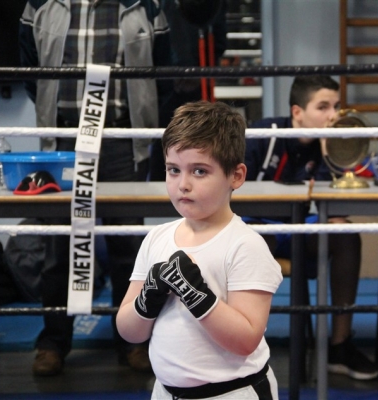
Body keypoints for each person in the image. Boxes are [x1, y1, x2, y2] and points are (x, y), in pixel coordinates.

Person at [19, 0, 171, 376]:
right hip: (65, 138)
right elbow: (28, 67)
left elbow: (165, 71)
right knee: (59, 245)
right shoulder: (41, 3)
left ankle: (133, 342)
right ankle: (52, 343)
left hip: (121, 135)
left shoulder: (146, 5)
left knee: (127, 248)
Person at [116, 101, 282, 399]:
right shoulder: (157, 238)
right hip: (166, 391)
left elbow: (245, 341)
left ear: (236, 176)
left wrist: (196, 295)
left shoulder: (245, 245)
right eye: (173, 170)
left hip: (234, 392)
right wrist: (147, 300)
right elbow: (130, 331)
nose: (183, 185)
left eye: (200, 171)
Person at [245, 75, 378, 381]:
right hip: (255, 231)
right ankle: (243, 343)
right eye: (323, 107)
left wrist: (331, 153)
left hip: (299, 232)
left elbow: (338, 206)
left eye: (336, 106)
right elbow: (230, 193)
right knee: (253, 239)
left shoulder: (331, 144)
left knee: (345, 236)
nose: (333, 115)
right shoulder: (261, 135)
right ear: (297, 112)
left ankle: (340, 346)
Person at [148, 0, 228, 181]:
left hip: (197, 79)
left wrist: (203, 71)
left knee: (200, 147)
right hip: (167, 83)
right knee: (164, 149)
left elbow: (219, 37)